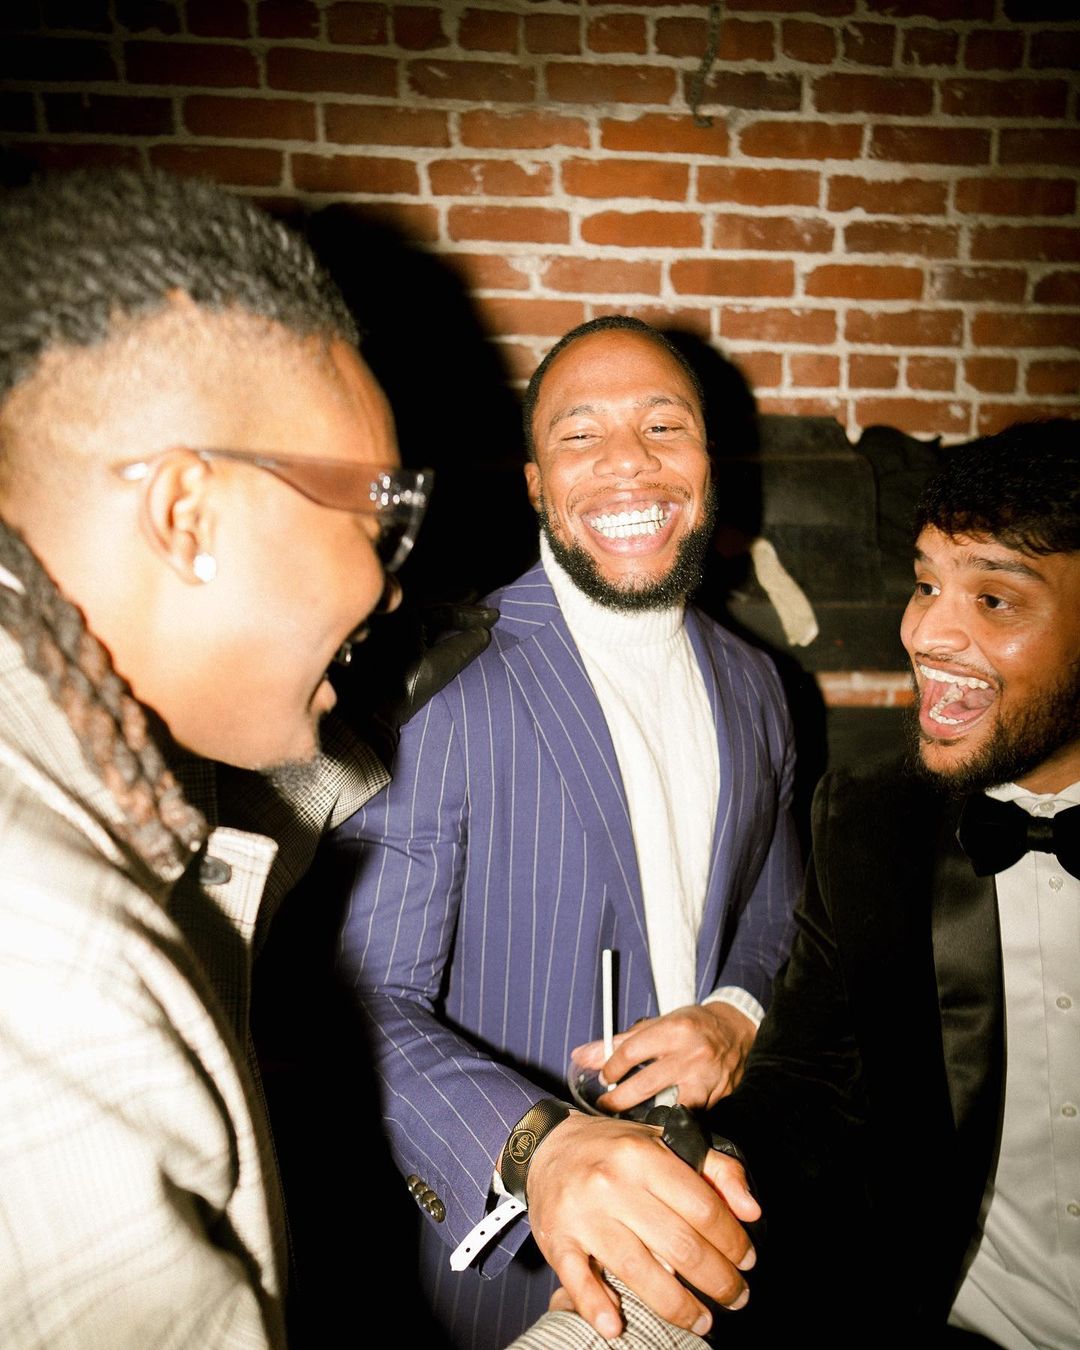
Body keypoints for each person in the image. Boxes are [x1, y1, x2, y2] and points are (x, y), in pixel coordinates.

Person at [0, 167, 431, 1347]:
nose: (391, 585)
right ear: (188, 517)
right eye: (379, 519)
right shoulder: (45, 954)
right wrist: (635, 1321)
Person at [331, 315, 802, 1348]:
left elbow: (777, 908)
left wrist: (735, 1014)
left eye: (664, 427)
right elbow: (362, 997)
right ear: (537, 485)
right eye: (581, 436)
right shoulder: (444, 687)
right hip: (519, 1274)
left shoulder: (761, 684)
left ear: (709, 466)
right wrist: (534, 1146)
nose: (629, 460)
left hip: (716, 1228)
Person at [703, 417, 1080, 1347]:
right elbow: (809, 1081)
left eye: (994, 599)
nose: (926, 633)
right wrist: (695, 1161)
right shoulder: (870, 821)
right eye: (924, 584)